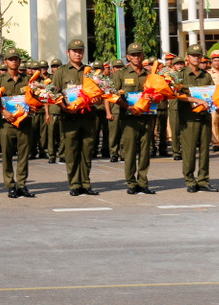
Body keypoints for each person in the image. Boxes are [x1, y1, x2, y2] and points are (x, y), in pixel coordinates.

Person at [50, 39, 99, 196]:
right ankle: (74, 184)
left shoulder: (89, 71)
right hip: (69, 117)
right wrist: (64, 107)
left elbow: (98, 91)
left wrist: (97, 99)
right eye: (75, 51)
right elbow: (54, 93)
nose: (78, 53)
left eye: (80, 51)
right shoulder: (61, 71)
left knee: (87, 151)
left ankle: (86, 183)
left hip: (88, 116)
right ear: (68, 53)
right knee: (71, 152)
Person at [109, 43, 155, 194]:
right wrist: (125, 106)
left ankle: (143, 181)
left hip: (146, 117)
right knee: (129, 151)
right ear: (128, 57)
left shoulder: (150, 74)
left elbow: (158, 92)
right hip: (128, 118)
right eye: (133, 55)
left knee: (145, 151)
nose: (136, 57)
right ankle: (131, 182)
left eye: (138, 54)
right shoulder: (120, 74)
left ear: (142, 56)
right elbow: (112, 94)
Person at [0, 49, 35, 198]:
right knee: (7, 154)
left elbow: (35, 98)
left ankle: (22, 184)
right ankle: (10, 184)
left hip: (24, 122)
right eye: (10, 59)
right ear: (5, 62)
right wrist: (3, 111)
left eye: (16, 59)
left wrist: (33, 107)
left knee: (24, 155)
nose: (14, 62)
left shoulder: (28, 80)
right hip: (7, 123)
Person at [180, 44, 219, 192]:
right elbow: (177, 95)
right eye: (193, 55)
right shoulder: (181, 75)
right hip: (189, 118)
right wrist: (195, 100)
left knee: (204, 151)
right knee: (189, 152)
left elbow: (213, 93)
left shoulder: (206, 75)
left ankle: (203, 180)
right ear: (187, 58)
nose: (196, 58)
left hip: (204, 117)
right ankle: (190, 180)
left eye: (198, 55)